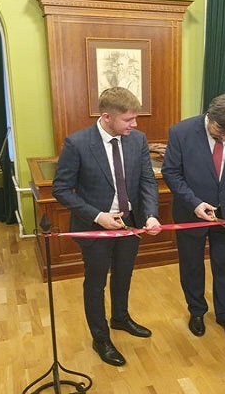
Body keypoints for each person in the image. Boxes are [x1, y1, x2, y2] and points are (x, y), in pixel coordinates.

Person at [52, 87, 161, 367]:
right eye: (128, 119)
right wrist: (98, 216)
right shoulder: (77, 144)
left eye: (135, 118)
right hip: (96, 228)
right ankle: (100, 337)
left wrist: (150, 215)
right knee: (96, 283)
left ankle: (120, 318)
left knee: (123, 275)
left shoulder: (138, 140)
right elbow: (61, 189)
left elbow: (147, 181)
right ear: (106, 117)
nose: (134, 124)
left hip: (131, 224)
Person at [161, 93, 225, 341]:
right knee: (191, 265)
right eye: (220, 132)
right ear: (209, 117)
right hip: (191, 212)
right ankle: (197, 311)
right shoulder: (181, 132)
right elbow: (171, 173)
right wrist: (195, 203)